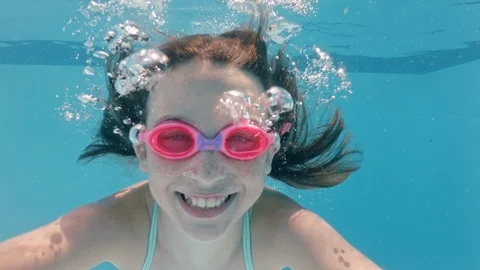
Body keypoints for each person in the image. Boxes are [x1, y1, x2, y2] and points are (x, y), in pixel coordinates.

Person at [0, 16, 381, 270]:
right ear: (143, 149)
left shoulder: (286, 229)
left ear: (269, 151)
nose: (206, 171)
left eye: (242, 140)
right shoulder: (116, 224)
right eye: (176, 139)